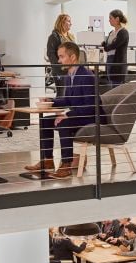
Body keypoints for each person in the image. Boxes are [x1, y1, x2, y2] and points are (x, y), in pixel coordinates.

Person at [25, 42, 101, 179]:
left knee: (63, 122)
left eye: (61, 56)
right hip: (79, 115)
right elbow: (68, 100)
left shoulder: (87, 76)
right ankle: (47, 161)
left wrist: (67, 114)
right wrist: (51, 101)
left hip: (91, 117)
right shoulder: (69, 75)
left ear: (72, 57)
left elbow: (91, 106)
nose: (59, 60)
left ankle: (66, 165)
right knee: (44, 121)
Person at [47, 13, 76, 92]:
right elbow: (50, 53)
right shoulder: (54, 36)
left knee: (71, 93)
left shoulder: (71, 36)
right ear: (62, 22)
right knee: (62, 93)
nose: (71, 23)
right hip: (60, 70)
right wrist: (60, 66)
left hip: (71, 70)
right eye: (69, 21)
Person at [102, 9, 129, 85]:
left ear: (117, 19)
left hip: (117, 62)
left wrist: (106, 46)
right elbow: (107, 46)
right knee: (111, 83)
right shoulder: (112, 32)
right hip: (109, 60)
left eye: (111, 18)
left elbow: (112, 46)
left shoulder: (123, 32)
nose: (109, 20)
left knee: (117, 86)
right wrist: (106, 46)